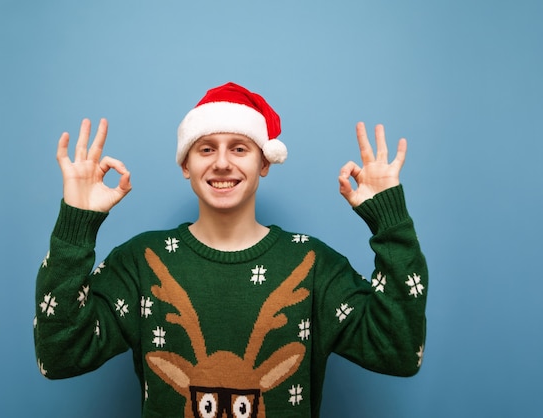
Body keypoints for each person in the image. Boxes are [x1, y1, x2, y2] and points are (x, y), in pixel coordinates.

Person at [34, 82, 428, 418]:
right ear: (185, 164)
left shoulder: (311, 264)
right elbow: (59, 354)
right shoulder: (142, 262)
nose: (222, 163)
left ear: (264, 163)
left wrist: (389, 221)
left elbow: (399, 348)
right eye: (206, 149)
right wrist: (77, 223)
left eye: (239, 148)